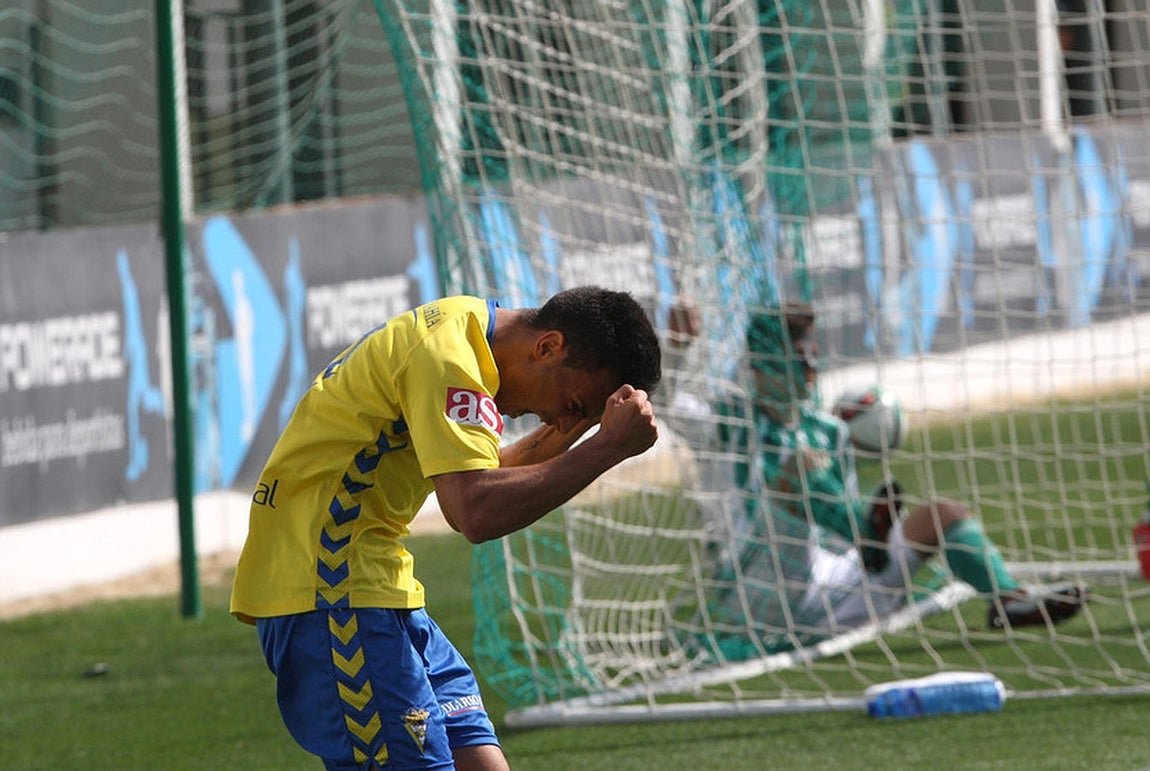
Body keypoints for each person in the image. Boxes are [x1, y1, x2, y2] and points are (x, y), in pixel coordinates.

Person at [230, 286, 661, 771]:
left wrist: (591, 431)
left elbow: (488, 471)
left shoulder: (463, 329)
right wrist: (606, 449)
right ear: (548, 347)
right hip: (328, 592)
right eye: (574, 404)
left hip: (373, 589)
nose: (557, 420)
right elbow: (474, 510)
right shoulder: (447, 357)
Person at [710, 304, 1085, 639]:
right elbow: (677, 410)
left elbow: (835, 547)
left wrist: (869, 554)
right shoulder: (728, 420)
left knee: (944, 515)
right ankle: (868, 532)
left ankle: (1008, 599)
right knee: (798, 470)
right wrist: (678, 349)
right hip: (759, 594)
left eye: (813, 358)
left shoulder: (829, 431)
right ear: (760, 368)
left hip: (830, 589)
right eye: (796, 359)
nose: (809, 370)